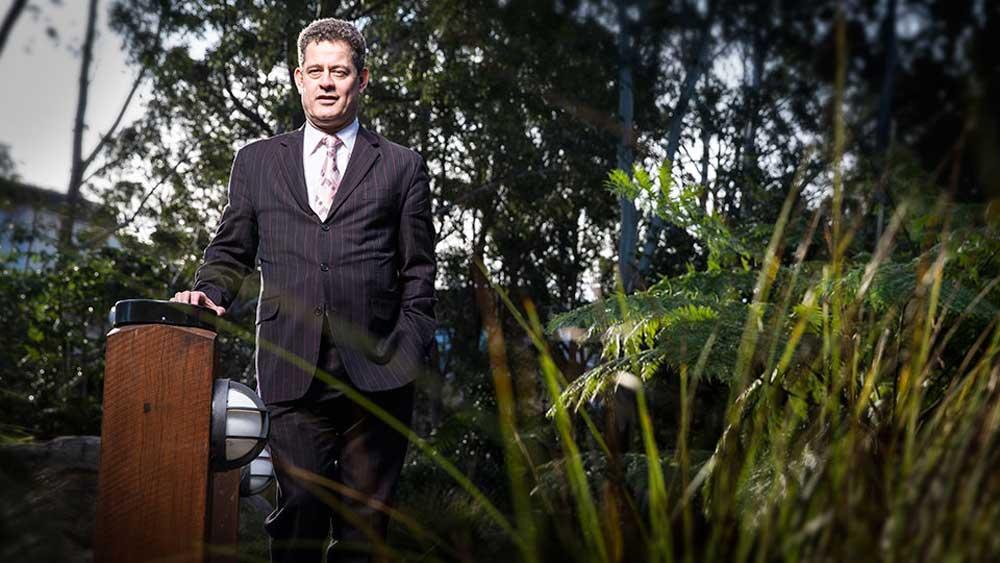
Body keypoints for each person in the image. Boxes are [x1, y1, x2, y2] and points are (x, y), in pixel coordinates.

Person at [171, 17, 436, 563]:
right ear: (298, 78)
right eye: (316, 71)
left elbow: (419, 270)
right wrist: (209, 292)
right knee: (299, 516)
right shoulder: (257, 161)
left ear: (362, 80)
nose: (327, 82)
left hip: (381, 371)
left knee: (365, 533)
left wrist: (411, 345)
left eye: (340, 71)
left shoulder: (403, 166)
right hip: (292, 363)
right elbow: (230, 248)